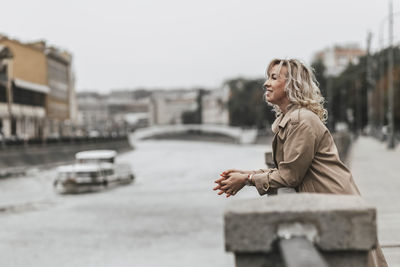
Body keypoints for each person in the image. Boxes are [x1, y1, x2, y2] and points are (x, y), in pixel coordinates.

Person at [213, 58, 387, 267]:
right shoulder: (293, 119)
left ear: (291, 85)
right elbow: (287, 168)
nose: (266, 83)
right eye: (268, 77)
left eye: (274, 77)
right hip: (328, 197)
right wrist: (245, 174)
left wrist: (248, 179)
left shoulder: (300, 121)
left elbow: (290, 176)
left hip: (332, 198)